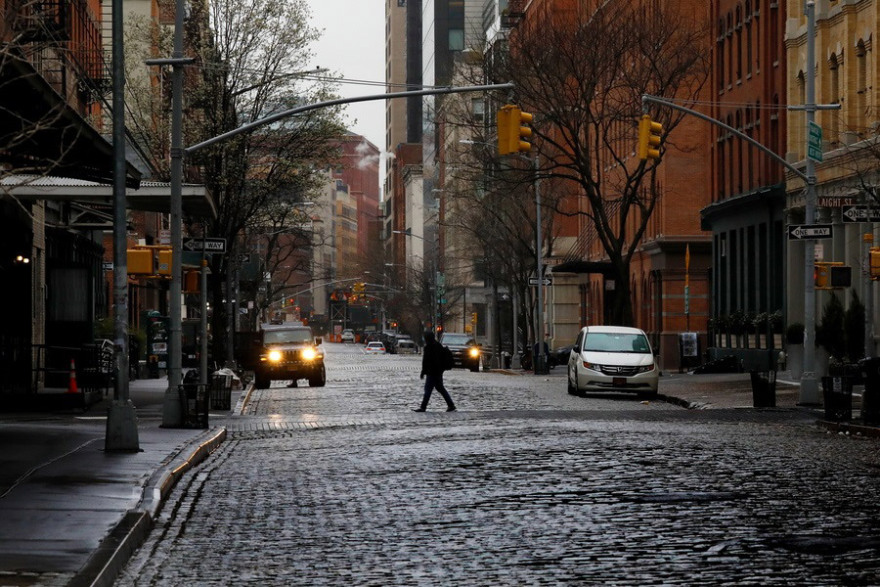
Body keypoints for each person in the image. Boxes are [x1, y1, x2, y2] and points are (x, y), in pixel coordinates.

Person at [414, 331, 456, 412]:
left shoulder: (429, 347)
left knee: (428, 390)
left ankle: (423, 407)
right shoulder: (438, 345)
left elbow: (426, 361)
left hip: (432, 372)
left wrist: (423, 372)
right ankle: (451, 405)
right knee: (440, 388)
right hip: (438, 372)